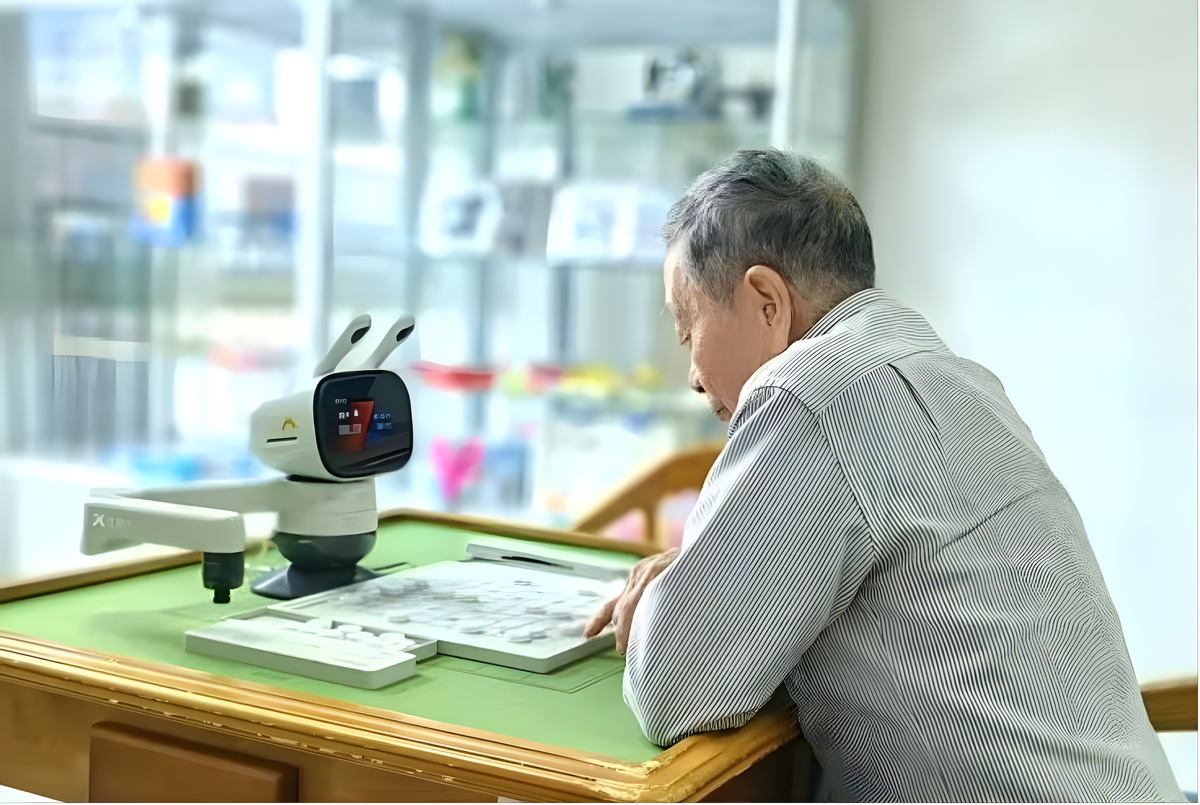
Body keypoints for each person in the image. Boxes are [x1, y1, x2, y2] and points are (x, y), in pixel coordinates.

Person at [583, 149, 1182, 803]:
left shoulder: (809, 389)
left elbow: (677, 685)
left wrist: (664, 602)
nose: (693, 375)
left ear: (765, 302)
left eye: (686, 327)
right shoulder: (952, 375)